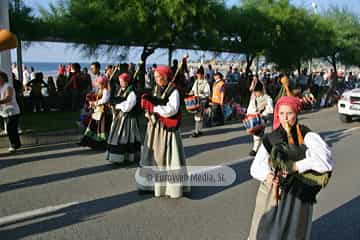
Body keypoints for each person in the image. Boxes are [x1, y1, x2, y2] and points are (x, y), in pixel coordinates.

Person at [248, 96, 333, 240]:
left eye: (289, 113)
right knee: (264, 231)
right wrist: (268, 176)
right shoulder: (272, 138)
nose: (285, 118)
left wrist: (297, 166)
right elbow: (255, 167)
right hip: (273, 192)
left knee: (293, 232)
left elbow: (325, 162)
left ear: (296, 114)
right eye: (281, 113)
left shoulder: (307, 135)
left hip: (298, 194)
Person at [135, 66, 189, 198]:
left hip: (167, 130)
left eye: (158, 77)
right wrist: (149, 106)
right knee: (150, 156)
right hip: (154, 127)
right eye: (155, 77)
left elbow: (172, 110)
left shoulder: (173, 91)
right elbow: (155, 101)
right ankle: (147, 185)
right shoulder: (156, 88)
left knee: (167, 157)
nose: (156, 79)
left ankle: (171, 188)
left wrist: (154, 107)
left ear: (165, 77)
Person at [106, 73, 143, 164]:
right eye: (120, 81)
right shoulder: (122, 90)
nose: (121, 83)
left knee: (128, 138)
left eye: (122, 81)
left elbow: (128, 107)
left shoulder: (132, 92)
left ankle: (129, 157)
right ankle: (117, 157)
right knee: (119, 138)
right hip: (120, 117)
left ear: (127, 81)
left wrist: (117, 105)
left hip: (129, 119)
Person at [80, 76, 112, 149]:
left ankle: (102, 144)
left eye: (100, 84)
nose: (98, 85)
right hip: (97, 111)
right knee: (94, 127)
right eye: (98, 83)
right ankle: (93, 143)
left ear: (103, 84)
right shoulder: (99, 90)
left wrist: (95, 103)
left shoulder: (105, 91)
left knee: (101, 128)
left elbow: (104, 100)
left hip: (103, 113)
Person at [247, 81, 273, 156]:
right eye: (255, 92)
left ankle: (265, 149)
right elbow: (249, 109)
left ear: (261, 91)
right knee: (256, 135)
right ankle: (255, 149)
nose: (256, 93)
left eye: (257, 92)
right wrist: (253, 114)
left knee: (265, 135)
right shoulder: (253, 100)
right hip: (255, 118)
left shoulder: (268, 99)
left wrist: (263, 112)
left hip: (265, 119)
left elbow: (270, 109)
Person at [0, 71, 21, 153]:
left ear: (3, 78)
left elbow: (9, 98)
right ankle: (16, 144)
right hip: (4, 112)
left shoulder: (8, 86)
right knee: (11, 129)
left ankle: (14, 145)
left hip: (12, 111)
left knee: (11, 129)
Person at [188, 66, 210, 137]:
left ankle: (197, 131)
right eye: (197, 74)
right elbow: (193, 90)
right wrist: (190, 93)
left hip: (202, 100)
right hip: (196, 100)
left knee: (199, 116)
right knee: (197, 116)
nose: (198, 75)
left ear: (203, 75)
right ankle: (199, 131)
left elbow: (208, 93)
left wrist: (203, 92)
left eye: (200, 74)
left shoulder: (206, 82)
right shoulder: (196, 82)